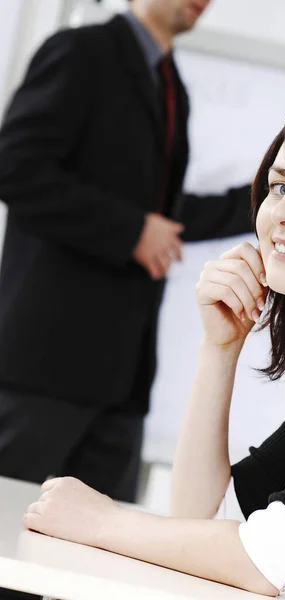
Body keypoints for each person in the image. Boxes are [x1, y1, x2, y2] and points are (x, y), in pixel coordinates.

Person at [24, 92, 285, 600]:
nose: (282, 214)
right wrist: (220, 348)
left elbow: (271, 560)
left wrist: (101, 521)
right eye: (280, 185)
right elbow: (206, 519)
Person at [0, 0, 253, 504]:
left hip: (122, 382)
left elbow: (159, 213)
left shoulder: (169, 84)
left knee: (92, 569)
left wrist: (266, 197)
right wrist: (130, 230)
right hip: (45, 369)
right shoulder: (80, 51)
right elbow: (15, 167)